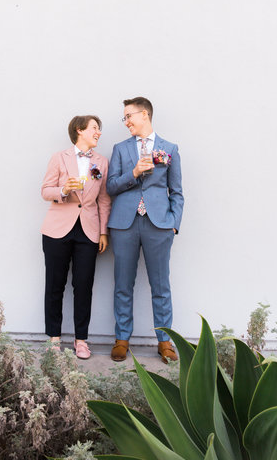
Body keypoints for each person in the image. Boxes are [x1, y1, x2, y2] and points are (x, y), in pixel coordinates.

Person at [107, 97, 184, 363]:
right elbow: (111, 186)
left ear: (144, 115)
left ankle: (164, 342)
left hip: (159, 224)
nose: (126, 121)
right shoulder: (120, 149)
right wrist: (134, 172)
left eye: (129, 116)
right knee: (123, 284)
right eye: (124, 118)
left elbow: (177, 192)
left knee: (161, 285)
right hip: (124, 224)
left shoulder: (169, 148)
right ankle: (121, 339)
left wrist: (174, 223)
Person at [41, 115, 111, 359]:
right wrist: (64, 190)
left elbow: (103, 198)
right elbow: (45, 191)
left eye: (99, 129)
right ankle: (54, 339)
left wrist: (103, 231)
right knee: (54, 285)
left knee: (84, 286)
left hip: (89, 230)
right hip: (57, 229)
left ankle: (81, 340)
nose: (98, 133)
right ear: (80, 130)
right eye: (95, 128)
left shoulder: (101, 162)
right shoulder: (59, 158)